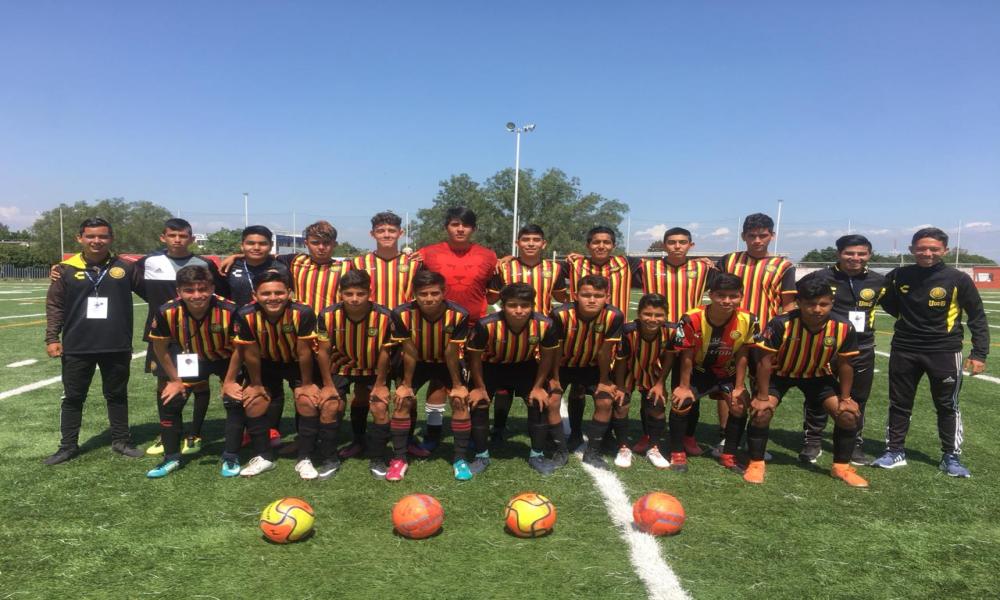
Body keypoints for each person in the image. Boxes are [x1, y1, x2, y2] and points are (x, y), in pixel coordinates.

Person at [872, 227, 989, 477]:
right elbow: (884, 298)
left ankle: (951, 456)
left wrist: (979, 353)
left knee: (947, 405)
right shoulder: (898, 275)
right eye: (922, 248)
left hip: (944, 351)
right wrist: (905, 317)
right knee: (899, 403)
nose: (927, 253)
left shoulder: (957, 279)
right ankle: (895, 451)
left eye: (934, 249)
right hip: (904, 348)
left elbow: (977, 317)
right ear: (912, 250)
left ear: (945, 250)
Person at [744, 277, 868, 488]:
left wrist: (846, 398)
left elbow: (846, 364)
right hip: (780, 374)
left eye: (823, 304)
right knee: (761, 412)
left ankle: (841, 467)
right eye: (811, 304)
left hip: (818, 376)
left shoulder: (843, 327)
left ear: (831, 303)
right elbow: (764, 362)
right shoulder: (781, 323)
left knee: (848, 416)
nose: (817, 309)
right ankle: (755, 463)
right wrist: (762, 397)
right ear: (799, 302)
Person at [43, 217, 143, 464]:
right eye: (90, 236)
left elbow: (154, 291)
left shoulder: (126, 268)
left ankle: (121, 441)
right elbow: (55, 305)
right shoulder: (66, 269)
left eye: (102, 236)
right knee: (73, 397)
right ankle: (67, 446)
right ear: (80, 238)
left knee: (117, 395)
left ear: (111, 238)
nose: (96, 241)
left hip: (116, 344)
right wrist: (51, 337)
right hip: (78, 345)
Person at [132, 218, 228, 457]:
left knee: (198, 381)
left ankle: (195, 432)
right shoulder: (149, 262)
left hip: (196, 333)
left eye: (183, 236)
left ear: (191, 239)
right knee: (165, 383)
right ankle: (168, 433)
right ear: (162, 238)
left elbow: (220, 290)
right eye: (172, 235)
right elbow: (131, 282)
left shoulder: (204, 263)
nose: (177, 240)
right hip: (163, 332)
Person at [145, 266, 244, 478]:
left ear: (212, 288)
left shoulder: (230, 309)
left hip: (226, 358)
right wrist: (175, 380)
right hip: (193, 357)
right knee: (169, 400)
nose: (197, 295)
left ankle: (231, 455)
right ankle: (171, 458)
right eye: (189, 290)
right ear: (179, 291)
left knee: (234, 399)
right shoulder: (167, 311)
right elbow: (160, 349)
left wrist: (229, 381)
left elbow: (240, 349)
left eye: (202, 289)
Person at [797, 235, 886, 465]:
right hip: (825, 345)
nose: (855, 258)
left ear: (869, 255)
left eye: (861, 254)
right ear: (839, 254)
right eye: (849, 253)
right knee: (818, 394)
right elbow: (799, 297)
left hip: (862, 346)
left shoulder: (878, 281)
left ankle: (854, 441)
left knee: (858, 397)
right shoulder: (821, 276)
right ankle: (812, 440)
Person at [712, 213, 797, 457]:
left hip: (764, 337)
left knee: (761, 387)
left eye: (763, 235)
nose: (757, 240)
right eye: (752, 236)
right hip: (732, 334)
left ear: (772, 235)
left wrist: (782, 336)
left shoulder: (783, 266)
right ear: (743, 237)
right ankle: (726, 437)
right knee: (728, 386)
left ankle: (753, 438)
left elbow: (788, 305)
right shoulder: (728, 261)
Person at [343, 211, 423, 460]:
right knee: (363, 393)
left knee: (404, 390)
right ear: (372, 234)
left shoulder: (415, 263)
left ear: (401, 233)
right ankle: (359, 439)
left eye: (391, 231)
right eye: (381, 231)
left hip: (403, 336)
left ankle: (407, 439)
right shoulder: (357, 263)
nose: (387, 235)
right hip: (368, 338)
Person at [631, 226, 716, 457]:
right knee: (649, 387)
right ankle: (648, 433)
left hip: (691, 337)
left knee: (687, 387)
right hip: (656, 335)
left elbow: (729, 280)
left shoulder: (703, 267)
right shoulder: (647, 266)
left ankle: (687, 436)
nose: (677, 246)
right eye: (672, 242)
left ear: (691, 245)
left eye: (682, 242)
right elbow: (613, 264)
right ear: (663, 244)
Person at [232, 270, 320, 477]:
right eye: (266, 293)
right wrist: (255, 383)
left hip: (297, 362)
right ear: (255, 296)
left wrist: (306, 383)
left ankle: (305, 457)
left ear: (289, 293)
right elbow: (251, 352)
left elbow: (304, 350)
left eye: (279, 293)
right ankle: (264, 456)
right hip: (266, 362)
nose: (273, 298)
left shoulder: (303, 312)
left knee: (307, 400)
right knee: (254, 402)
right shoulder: (245, 314)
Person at [466, 283, 561, 475]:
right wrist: (479, 387)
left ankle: (537, 455)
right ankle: (481, 455)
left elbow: (547, 358)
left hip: (524, 366)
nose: (519, 310)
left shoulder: (545, 324)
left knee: (539, 401)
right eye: (512, 305)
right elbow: (474, 358)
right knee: (480, 403)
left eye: (525, 305)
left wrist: (538, 386)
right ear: (503, 305)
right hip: (490, 366)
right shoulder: (486, 324)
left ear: (533, 305)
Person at [486, 224, 568, 444]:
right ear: (517, 243)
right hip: (508, 332)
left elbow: (561, 296)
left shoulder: (555, 269)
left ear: (544, 244)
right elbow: (491, 299)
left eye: (536, 239)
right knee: (504, 387)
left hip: (543, 335)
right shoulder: (503, 268)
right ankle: (499, 428)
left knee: (544, 383)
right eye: (526, 239)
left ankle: (546, 429)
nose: (531, 243)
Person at [671, 274, 759, 474]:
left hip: (724, 371)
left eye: (733, 296)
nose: (727, 301)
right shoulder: (691, 317)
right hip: (696, 370)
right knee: (680, 402)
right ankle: (677, 453)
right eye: (721, 295)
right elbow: (686, 353)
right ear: (710, 295)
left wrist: (739, 387)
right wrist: (684, 387)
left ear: (741, 296)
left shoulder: (749, 319)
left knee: (738, 405)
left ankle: (728, 455)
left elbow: (744, 352)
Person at [389, 270, 472, 481]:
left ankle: (460, 459)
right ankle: (399, 459)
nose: (429, 298)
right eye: (423, 293)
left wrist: (457, 385)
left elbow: (452, 352)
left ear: (444, 292)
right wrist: (406, 384)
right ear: (414, 293)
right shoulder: (401, 313)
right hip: (417, 360)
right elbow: (409, 351)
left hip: (447, 362)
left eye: (434, 293)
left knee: (460, 400)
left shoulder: (460, 314)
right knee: (403, 399)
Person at [316, 270, 396, 479]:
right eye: (348, 293)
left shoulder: (385, 316)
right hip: (340, 367)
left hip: (372, 369)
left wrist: (381, 383)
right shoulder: (327, 315)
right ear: (340, 293)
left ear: (369, 293)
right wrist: (327, 384)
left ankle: (378, 458)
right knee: (330, 405)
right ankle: (330, 459)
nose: (354, 299)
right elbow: (323, 351)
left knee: (379, 407)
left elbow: (385, 352)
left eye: (360, 293)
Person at [561, 226, 632, 451]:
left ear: (613, 245)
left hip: (614, 331)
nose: (601, 246)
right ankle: (574, 432)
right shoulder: (573, 264)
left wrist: (710, 264)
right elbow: (540, 267)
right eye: (596, 242)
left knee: (610, 385)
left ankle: (607, 433)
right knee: (578, 387)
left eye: (606, 242)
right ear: (588, 245)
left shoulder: (629, 263)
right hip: (581, 331)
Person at [550, 274, 625, 469]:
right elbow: (555, 350)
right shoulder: (560, 314)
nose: (592, 300)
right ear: (575, 295)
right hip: (563, 365)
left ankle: (592, 452)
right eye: (586, 294)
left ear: (606, 297)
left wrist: (604, 380)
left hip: (592, 365)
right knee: (552, 399)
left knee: (605, 400)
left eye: (598, 295)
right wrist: (555, 379)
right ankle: (560, 450)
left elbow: (605, 351)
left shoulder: (614, 315)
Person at [613, 293, 673, 469]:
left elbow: (669, 358)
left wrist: (661, 383)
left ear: (666, 316)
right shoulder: (628, 331)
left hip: (653, 372)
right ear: (638, 314)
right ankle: (623, 447)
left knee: (657, 406)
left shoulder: (671, 331)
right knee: (621, 404)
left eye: (659, 315)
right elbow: (621, 360)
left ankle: (653, 447)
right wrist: (621, 387)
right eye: (647, 314)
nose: (653, 319)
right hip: (628, 370)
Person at [417, 207, 497, 322]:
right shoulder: (426, 254)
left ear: (474, 229)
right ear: (446, 227)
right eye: (455, 224)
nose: (460, 229)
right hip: (437, 325)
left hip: (475, 326)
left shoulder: (489, 256)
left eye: (466, 225)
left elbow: (493, 295)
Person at [225, 225, 290, 309]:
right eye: (251, 243)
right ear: (242, 245)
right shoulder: (229, 267)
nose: (256, 248)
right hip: (238, 320)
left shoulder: (282, 268)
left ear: (271, 245)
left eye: (262, 244)